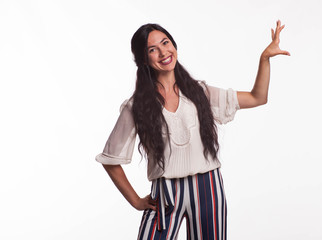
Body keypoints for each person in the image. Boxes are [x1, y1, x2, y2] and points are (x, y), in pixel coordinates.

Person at [95, 20, 290, 240]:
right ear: (143, 59)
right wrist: (136, 201)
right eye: (152, 49)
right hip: (165, 194)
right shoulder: (136, 106)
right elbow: (111, 160)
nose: (163, 52)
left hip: (208, 189)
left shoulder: (201, 93)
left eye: (165, 43)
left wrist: (264, 59)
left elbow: (257, 97)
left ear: (174, 45)